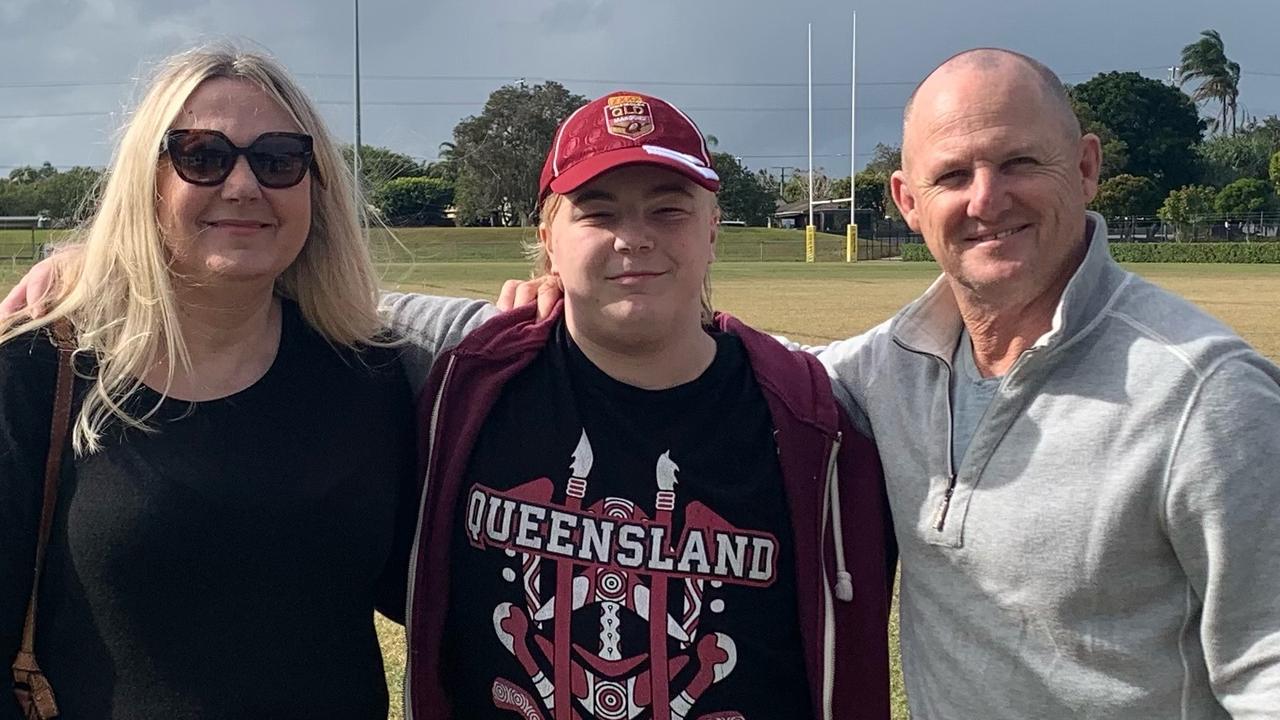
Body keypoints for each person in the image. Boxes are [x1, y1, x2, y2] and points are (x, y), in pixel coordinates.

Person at [809, 49, 1280, 718]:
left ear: (1086, 168)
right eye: (952, 175)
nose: (986, 199)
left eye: (1019, 163)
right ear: (908, 203)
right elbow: (741, 369)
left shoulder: (1209, 396)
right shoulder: (883, 371)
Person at [396, 91, 894, 720]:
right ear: (549, 238)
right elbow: (315, 296)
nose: (633, 239)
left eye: (668, 211)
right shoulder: (465, 385)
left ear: (713, 229)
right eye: (597, 213)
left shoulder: (810, 417)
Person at [0, 45, 427, 719]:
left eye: (279, 158)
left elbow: (430, 590)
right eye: (201, 155)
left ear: (314, 187)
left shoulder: (370, 372)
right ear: (148, 183)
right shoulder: (38, 369)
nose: (243, 185)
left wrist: (559, 307)